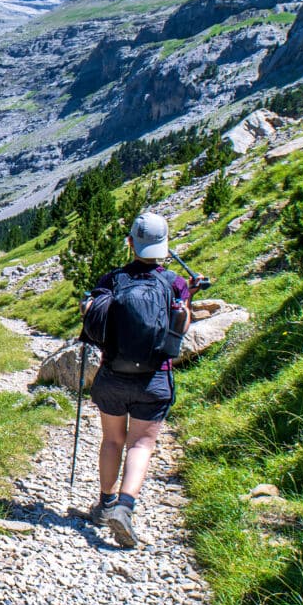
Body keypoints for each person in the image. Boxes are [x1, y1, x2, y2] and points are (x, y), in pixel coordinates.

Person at [78, 210, 205, 548]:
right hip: (155, 379)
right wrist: (190, 294)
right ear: (164, 245)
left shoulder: (113, 279)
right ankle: (125, 505)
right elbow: (182, 326)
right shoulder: (176, 282)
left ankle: (104, 504)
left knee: (112, 440)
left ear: (131, 243)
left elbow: (95, 314)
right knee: (141, 444)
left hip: (113, 376)